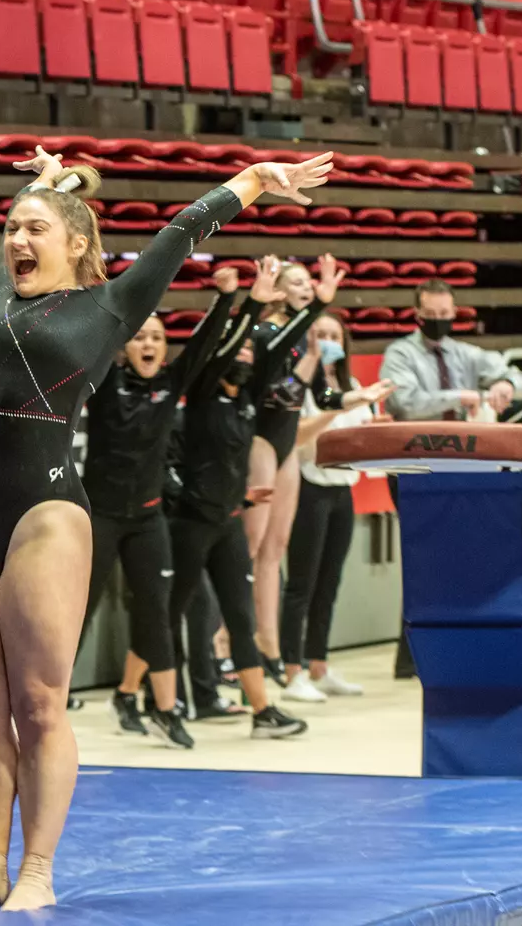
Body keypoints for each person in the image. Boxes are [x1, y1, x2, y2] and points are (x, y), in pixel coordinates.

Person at [0, 146, 333, 912]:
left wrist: (250, 182)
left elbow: (182, 232)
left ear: (78, 244)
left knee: (38, 703)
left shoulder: (110, 306)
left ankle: (38, 871)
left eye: (36, 229)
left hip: (43, 517)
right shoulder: (0, 293)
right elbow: (29, 218)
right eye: (12, 227)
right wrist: (46, 184)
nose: (18, 239)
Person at [84, 267, 243, 749]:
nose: (148, 344)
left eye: (157, 337)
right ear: (126, 346)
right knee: (77, 612)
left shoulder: (171, 383)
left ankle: (167, 711)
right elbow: (96, 332)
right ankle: (38, 706)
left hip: (148, 519)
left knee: (156, 614)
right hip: (101, 519)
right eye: (139, 337)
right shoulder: (106, 382)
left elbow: (203, 345)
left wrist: (225, 299)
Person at [168, 256, 317, 739]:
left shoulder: (248, 399)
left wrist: (317, 308)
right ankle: (145, 697)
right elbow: (225, 341)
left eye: (254, 355)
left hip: (228, 515)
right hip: (190, 518)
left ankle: (261, 711)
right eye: (243, 351)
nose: (249, 357)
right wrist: (245, 302)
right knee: (169, 611)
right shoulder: (204, 390)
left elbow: (278, 354)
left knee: (238, 611)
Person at [378, 279, 522, 677]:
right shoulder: (400, 353)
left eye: (447, 315)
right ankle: (410, 655)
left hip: (460, 464)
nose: (441, 321)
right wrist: (459, 398)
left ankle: (453, 645)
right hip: (414, 465)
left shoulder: (464, 353)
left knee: (460, 558)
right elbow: (403, 401)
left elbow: (521, 379)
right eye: (433, 316)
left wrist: (503, 385)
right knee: (423, 559)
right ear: (418, 314)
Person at [278, 317, 392, 705]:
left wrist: (376, 427)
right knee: (300, 584)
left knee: (329, 584)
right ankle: (290, 669)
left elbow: (359, 439)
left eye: (333, 336)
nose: (327, 342)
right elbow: (298, 436)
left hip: (344, 490)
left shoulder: (354, 386)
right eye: (319, 335)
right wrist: (336, 407)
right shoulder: (301, 384)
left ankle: (318, 665)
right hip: (309, 486)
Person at [244, 255, 343, 684]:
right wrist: (306, 366)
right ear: (279, 291)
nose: (307, 288)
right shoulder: (265, 331)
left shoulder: (306, 337)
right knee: (247, 550)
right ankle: (228, 642)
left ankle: (269, 645)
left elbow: (320, 395)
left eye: (310, 283)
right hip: (260, 441)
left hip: (285, 446)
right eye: (299, 283)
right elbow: (275, 397)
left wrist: (354, 399)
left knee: (275, 550)